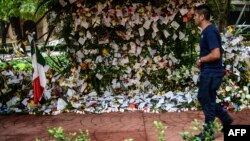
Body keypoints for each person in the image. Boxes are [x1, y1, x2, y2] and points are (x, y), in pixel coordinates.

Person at [193, 4, 233, 140]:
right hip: (210, 72)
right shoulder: (207, 31)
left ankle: (209, 131)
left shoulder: (209, 31)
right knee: (205, 99)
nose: (194, 18)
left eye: (195, 15)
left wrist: (201, 60)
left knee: (206, 100)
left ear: (202, 16)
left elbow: (216, 54)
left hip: (211, 73)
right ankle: (226, 119)